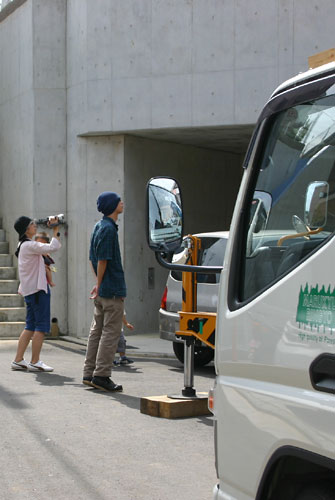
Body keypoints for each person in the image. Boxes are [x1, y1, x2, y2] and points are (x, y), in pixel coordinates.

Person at [83, 191, 126, 392]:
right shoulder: (109, 229)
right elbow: (102, 259)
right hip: (111, 290)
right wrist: (100, 284)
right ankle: (101, 375)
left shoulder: (98, 226)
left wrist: (97, 283)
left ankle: (89, 373)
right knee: (110, 333)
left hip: (102, 290)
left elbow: (93, 258)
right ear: (112, 205)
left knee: (96, 332)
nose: (122, 203)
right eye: (119, 201)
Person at [11, 216, 61, 372]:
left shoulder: (23, 245)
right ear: (27, 229)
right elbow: (53, 247)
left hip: (29, 290)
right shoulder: (29, 245)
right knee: (40, 327)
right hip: (38, 290)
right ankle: (35, 361)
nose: (35, 227)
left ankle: (18, 360)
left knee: (30, 325)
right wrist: (55, 229)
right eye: (33, 225)